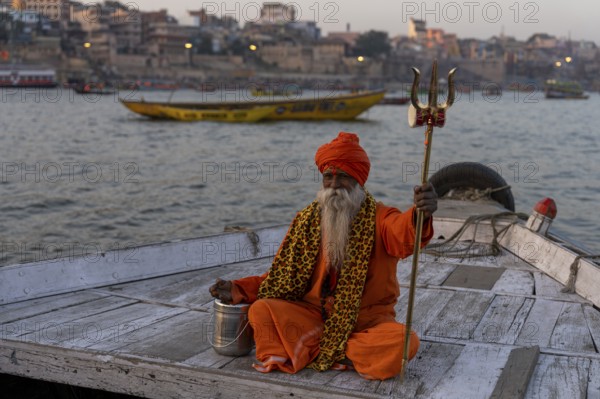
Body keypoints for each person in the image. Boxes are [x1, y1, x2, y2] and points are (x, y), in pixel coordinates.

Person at [209, 132, 437, 380]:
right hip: (314, 317)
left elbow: (404, 234)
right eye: (328, 177)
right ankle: (337, 352)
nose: (335, 185)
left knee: (404, 343)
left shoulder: (381, 217)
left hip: (365, 322)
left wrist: (419, 214)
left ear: (359, 181)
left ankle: (318, 350)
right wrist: (238, 288)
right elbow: (280, 277)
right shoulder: (306, 220)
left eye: (344, 177)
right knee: (261, 309)